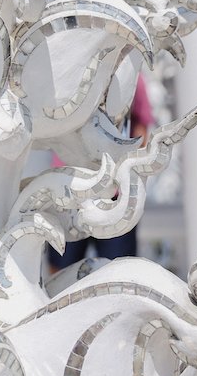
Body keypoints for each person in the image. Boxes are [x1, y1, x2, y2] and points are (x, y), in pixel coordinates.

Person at [49, 74, 155, 269]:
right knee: (60, 269)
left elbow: (141, 121)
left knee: (119, 269)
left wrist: (132, 167)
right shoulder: (71, 72)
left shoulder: (131, 73)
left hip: (115, 193)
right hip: (69, 188)